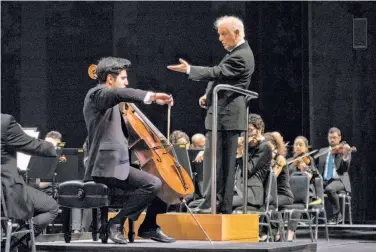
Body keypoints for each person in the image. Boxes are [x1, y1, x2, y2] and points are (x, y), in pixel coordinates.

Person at [168, 16, 255, 214]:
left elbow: (217, 72)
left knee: (222, 165)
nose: (220, 39)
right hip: (221, 114)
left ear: (237, 33)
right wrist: (207, 96)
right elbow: (225, 80)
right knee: (217, 163)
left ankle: (218, 204)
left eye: (223, 34)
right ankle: (213, 202)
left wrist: (190, 69)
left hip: (227, 117)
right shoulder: (236, 53)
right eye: (219, 34)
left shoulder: (241, 55)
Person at [83, 57, 175, 244]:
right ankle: (115, 223)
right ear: (110, 79)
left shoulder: (115, 102)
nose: (127, 82)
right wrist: (152, 96)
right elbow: (118, 94)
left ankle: (149, 226)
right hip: (104, 166)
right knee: (152, 184)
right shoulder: (97, 95)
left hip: (119, 163)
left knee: (164, 181)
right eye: (123, 78)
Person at [1, 114, 59, 249]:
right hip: (5, 192)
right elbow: (32, 145)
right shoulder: (4, 122)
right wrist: (51, 145)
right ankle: (14, 240)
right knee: (51, 207)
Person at [233, 114, 272, 212]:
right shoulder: (249, 146)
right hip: (240, 190)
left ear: (258, 130)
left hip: (252, 194)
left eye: (249, 130)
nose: (246, 135)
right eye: (244, 131)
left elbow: (248, 172)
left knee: (224, 203)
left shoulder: (264, 147)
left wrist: (241, 151)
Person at [316, 127, 352, 225]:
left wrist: (345, 156)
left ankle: (337, 215)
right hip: (325, 180)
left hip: (339, 180)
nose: (332, 140)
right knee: (310, 186)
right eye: (330, 137)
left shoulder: (343, 150)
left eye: (334, 138)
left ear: (339, 138)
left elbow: (344, 169)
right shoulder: (322, 151)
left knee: (329, 189)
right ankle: (314, 215)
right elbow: (317, 168)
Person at [263, 132, 295, 242]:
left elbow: (272, 177)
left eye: (269, 149)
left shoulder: (280, 159)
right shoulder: (266, 160)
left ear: (275, 148)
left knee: (269, 203)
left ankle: (274, 232)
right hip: (273, 194)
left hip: (284, 195)